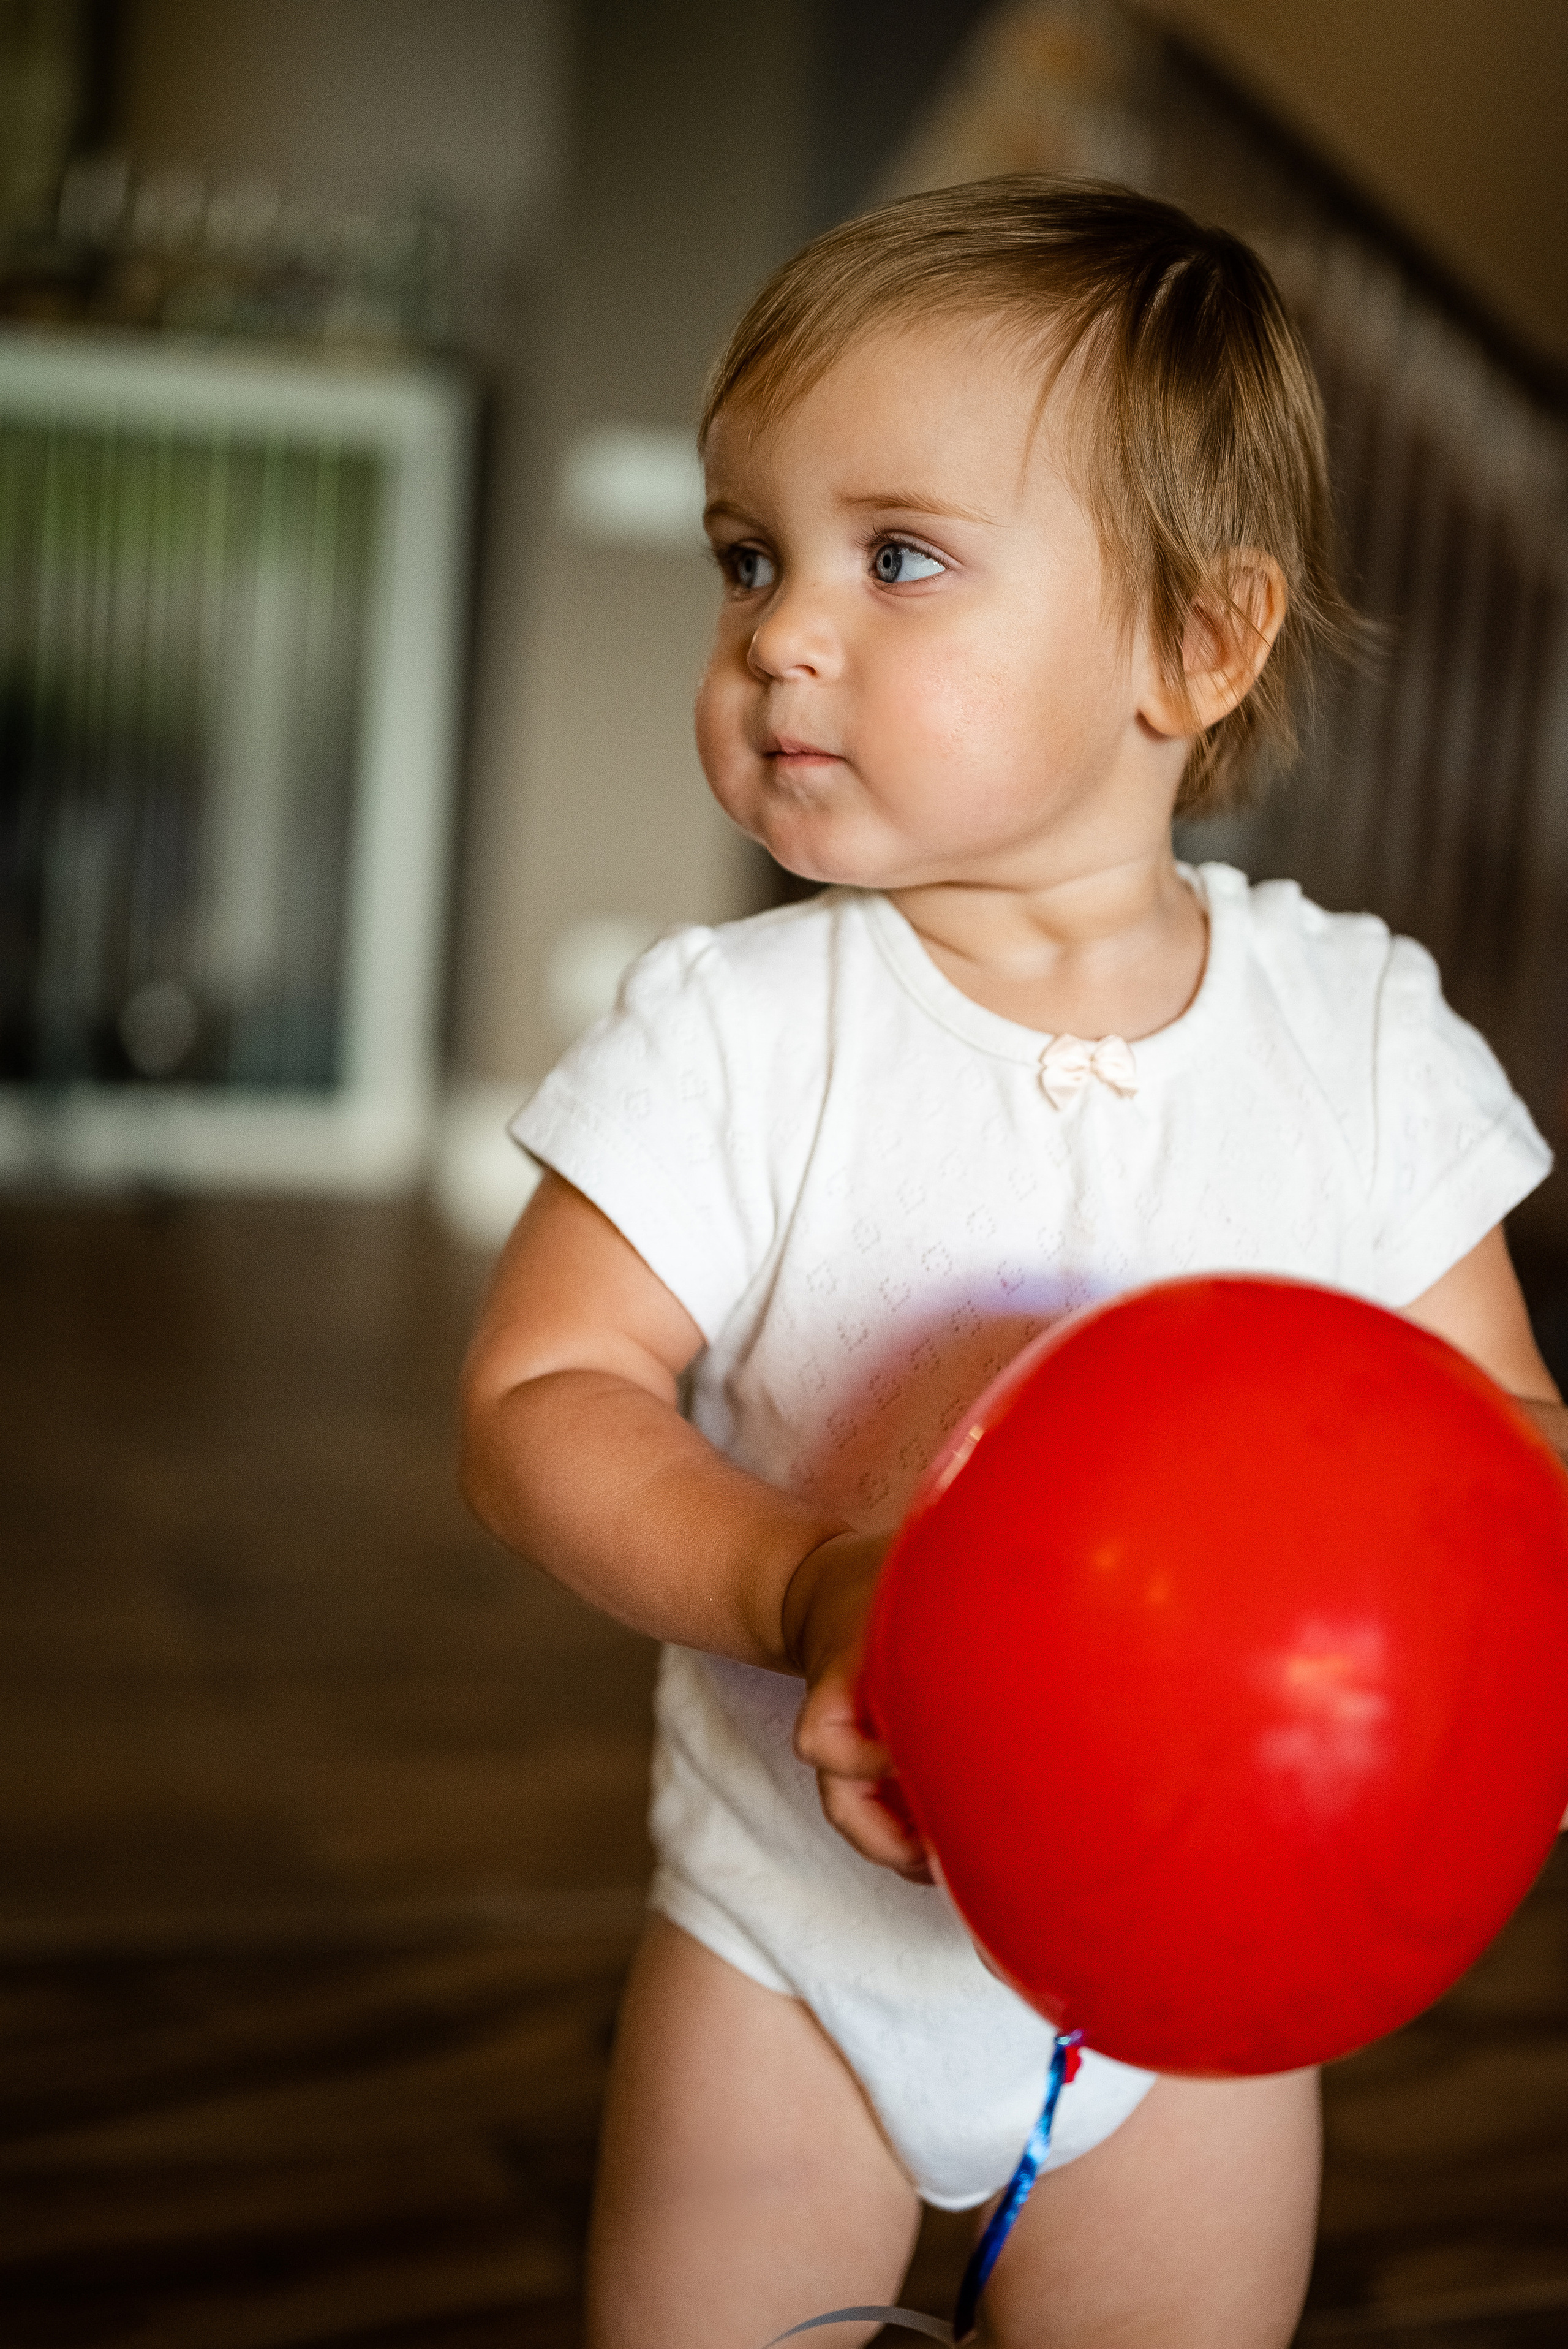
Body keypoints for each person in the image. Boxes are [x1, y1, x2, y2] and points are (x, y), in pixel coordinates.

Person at [459, 177, 1566, 2348]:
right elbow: (533, 1400)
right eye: (749, 555)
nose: (783, 632)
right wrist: (808, 1586)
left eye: (897, 557)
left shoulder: (1359, 1038)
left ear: (1195, 646)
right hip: (796, 1951)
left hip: (1203, 1980)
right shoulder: (738, 1032)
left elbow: (1501, 1427)